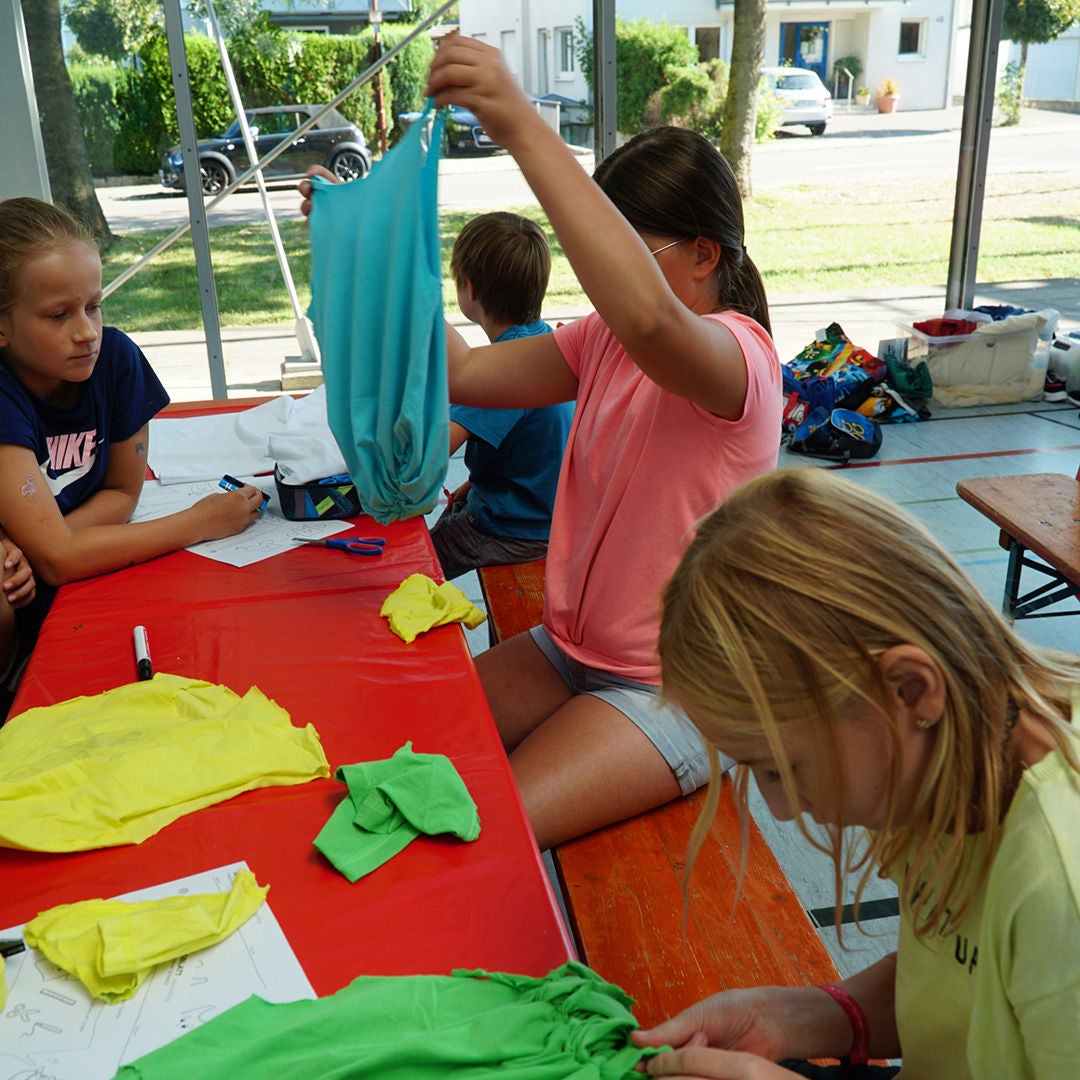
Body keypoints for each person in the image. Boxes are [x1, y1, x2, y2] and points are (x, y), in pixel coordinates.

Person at [423, 34, 782, 849]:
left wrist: (518, 121)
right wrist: (383, 249)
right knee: (408, 742)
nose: (601, 280)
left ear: (703, 254)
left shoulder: (740, 360)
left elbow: (653, 319)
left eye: (624, 251)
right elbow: (470, 377)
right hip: (571, 648)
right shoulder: (604, 341)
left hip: (672, 689)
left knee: (482, 836)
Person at [639, 467, 1080, 1079]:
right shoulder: (943, 760)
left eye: (782, 769)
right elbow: (963, 981)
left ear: (908, 688)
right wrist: (803, 1014)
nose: (786, 809)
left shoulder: (1061, 880)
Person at [0, 197, 265, 703]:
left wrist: (39, 543)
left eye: (93, 306)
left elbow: (123, 491)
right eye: (58, 315)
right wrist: (197, 523)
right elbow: (57, 560)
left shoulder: (116, 358)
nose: (86, 332)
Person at [432, 211, 573, 581]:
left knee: (408, 562)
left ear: (470, 289)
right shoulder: (546, 344)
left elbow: (427, 457)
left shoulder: (501, 368)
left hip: (518, 531)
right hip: (543, 513)